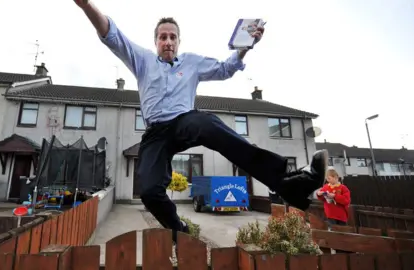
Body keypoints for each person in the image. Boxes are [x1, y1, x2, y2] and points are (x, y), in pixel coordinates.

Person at [73, 0, 328, 238]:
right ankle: (179, 229)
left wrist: (244, 49)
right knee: (150, 192)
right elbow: (111, 34)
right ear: (156, 41)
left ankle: (287, 184)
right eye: (163, 37)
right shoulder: (142, 60)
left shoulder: (192, 63)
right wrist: (86, 5)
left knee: (208, 124)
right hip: (155, 133)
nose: (168, 42)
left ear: (179, 41)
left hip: (184, 122)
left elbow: (225, 69)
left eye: (173, 37)